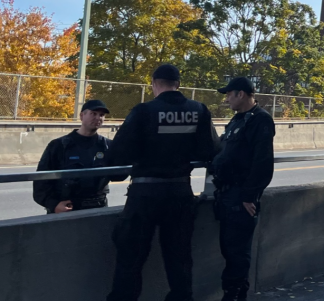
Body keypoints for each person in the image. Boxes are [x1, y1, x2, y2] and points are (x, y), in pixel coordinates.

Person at [105, 64, 220, 301]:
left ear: (154, 83)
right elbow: (211, 150)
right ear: (178, 84)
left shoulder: (143, 111)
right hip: (179, 192)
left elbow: (118, 155)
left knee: (131, 258)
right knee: (179, 258)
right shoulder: (198, 110)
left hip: (144, 194)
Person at [211, 77, 275, 301]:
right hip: (227, 195)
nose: (226, 98)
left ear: (241, 94)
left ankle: (235, 295)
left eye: (229, 94)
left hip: (241, 196)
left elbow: (263, 162)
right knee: (229, 250)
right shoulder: (237, 121)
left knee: (237, 253)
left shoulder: (260, 121)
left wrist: (250, 196)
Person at [33, 99, 113, 214]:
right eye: (93, 114)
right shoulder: (59, 146)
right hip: (67, 210)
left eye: (101, 115)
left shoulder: (107, 146)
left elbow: (118, 176)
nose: (98, 118)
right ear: (82, 116)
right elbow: (41, 182)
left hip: (97, 209)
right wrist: (54, 205)